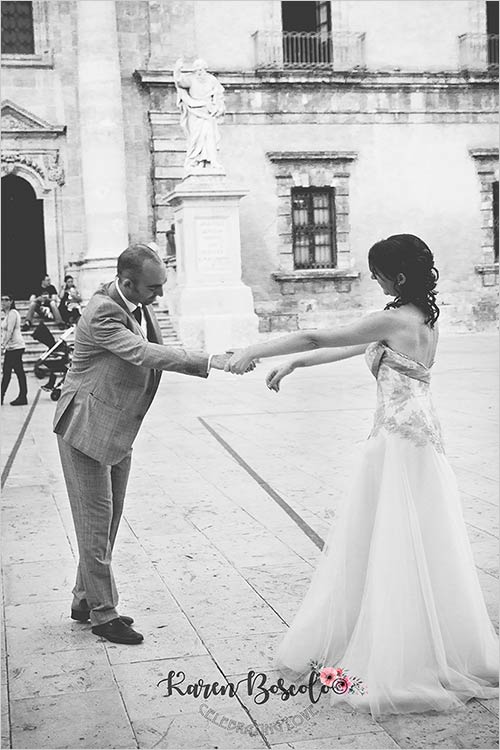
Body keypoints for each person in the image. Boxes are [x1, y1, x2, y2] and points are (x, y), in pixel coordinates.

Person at [226, 234, 498, 718]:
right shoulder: (418, 318)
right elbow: (345, 347)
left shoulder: (394, 319)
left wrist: (254, 350)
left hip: (399, 442)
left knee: (394, 541)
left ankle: (403, 656)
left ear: (395, 276)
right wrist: (293, 361)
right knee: (414, 542)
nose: (372, 279)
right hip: (418, 438)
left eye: (376, 272)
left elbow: (319, 334)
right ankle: (430, 638)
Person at [53, 244, 251, 646]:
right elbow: (142, 352)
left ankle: (83, 600)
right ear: (126, 282)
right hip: (86, 428)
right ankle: (103, 615)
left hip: (116, 427)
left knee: (106, 522)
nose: (159, 296)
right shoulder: (103, 311)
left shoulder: (133, 301)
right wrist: (209, 360)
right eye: (153, 288)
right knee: (94, 525)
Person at [173, 57, 225, 172]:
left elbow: (219, 94)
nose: (199, 73)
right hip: (195, 112)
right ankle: (195, 161)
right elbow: (179, 82)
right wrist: (177, 70)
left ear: (205, 69)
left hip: (208, 112)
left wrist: (217, 107)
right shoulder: (191, 79)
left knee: (209, 137)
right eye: (197, 70)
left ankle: (211, 161)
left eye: (201, 70)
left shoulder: (212, 80)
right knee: (195, 138)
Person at [1, 293, 28, 406]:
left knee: (9, 372)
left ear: (11, 301)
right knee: (16, 371)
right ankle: (22, 396)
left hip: (15, 347)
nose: (3, 302)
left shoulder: (12, 313)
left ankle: (4, 396)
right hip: (12, 347)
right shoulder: (7, 314)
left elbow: (10, 331)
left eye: (6, 300)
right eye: (2, 299)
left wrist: (3, 346)